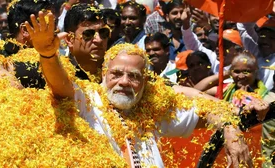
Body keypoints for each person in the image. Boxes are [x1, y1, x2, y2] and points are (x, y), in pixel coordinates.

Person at [24, 10, 270, 167]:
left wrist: (230, 128)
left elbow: (202, 106)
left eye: (133, 76)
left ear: (145, 82)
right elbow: (60, 85)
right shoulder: (87, 99)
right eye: (116, 74)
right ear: (103, 75)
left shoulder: (150, 107)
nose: (123, 82)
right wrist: (47, 54)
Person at [182, 4, 243, 74]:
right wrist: (185, 23)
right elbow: (193, 45)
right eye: (217, 45)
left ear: (239, 51)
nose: (217, 48)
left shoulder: (246, 68)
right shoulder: (214, 61)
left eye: (224, 45)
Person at [63, 3, 110, 82]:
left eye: (103, 32)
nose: (99, 40)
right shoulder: (57, 73)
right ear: (69, 39)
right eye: (88, 34)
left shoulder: (118, 71)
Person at [237, 16, 275, 90]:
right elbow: (243, 25)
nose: (265, 41)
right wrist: (260, 9)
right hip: (250, 99)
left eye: (272, 38)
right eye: (262, 36)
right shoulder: (255, 51)